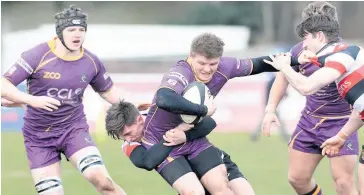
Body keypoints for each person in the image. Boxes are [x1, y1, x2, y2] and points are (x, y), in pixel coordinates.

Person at [104, 32, 301, 195]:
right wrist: (201, 112)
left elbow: (259, 64)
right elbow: (164, 99)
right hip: (168, 151)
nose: (207, 69)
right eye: (201, 63)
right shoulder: (180, 73)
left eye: (212, 64)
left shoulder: (226, 67)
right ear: (191, 57)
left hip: (196, 143)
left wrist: (296, 60)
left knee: (228, 190)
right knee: (194, 192)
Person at [1, 5, 128, 195]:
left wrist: (132, 108)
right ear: (60, 32)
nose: (77, 34)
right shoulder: (37, 55)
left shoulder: (91, 61)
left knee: (104, 182)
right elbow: (4, 84)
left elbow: (108, 91)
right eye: (71, 29)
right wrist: (30, 100)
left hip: (73, 130)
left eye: (81, 29)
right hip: (38, 138)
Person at [261, 2, 359, 195]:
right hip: (310, 121)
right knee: (297, 178)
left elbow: (306, 86)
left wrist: (287, 66)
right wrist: (270, 109)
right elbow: (282, 77)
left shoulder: (343, 53)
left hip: (342, 122)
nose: (304, 40)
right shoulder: (299, 50)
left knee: (343, 183)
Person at [108, 101, 254, 195]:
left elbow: (209, 123)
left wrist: (185, 136)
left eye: (128, 133)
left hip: (215, 163)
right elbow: (147, 162)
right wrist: (177, 131)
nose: (127, 139)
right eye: (122, 136)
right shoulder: (129, 145)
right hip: (188, 181)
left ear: (139, 120)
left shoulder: (162, 115)